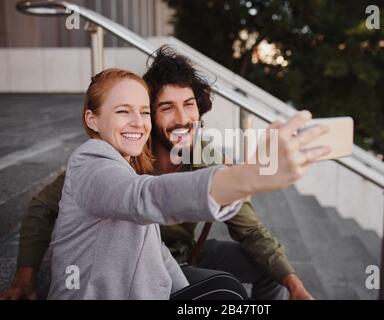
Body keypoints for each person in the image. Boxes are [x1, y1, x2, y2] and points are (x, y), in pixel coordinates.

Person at [0, 49, 329, 300]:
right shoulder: (101, 160)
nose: (182, 118)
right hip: (134, 271)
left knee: (261, 273)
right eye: (165, 108)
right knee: (228, 294)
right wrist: (24, 276)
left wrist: (296, 286)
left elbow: (250, 230)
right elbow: (142, 197)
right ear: (93, 119)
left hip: (176, 258)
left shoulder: (202, 154)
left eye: (189, 104)